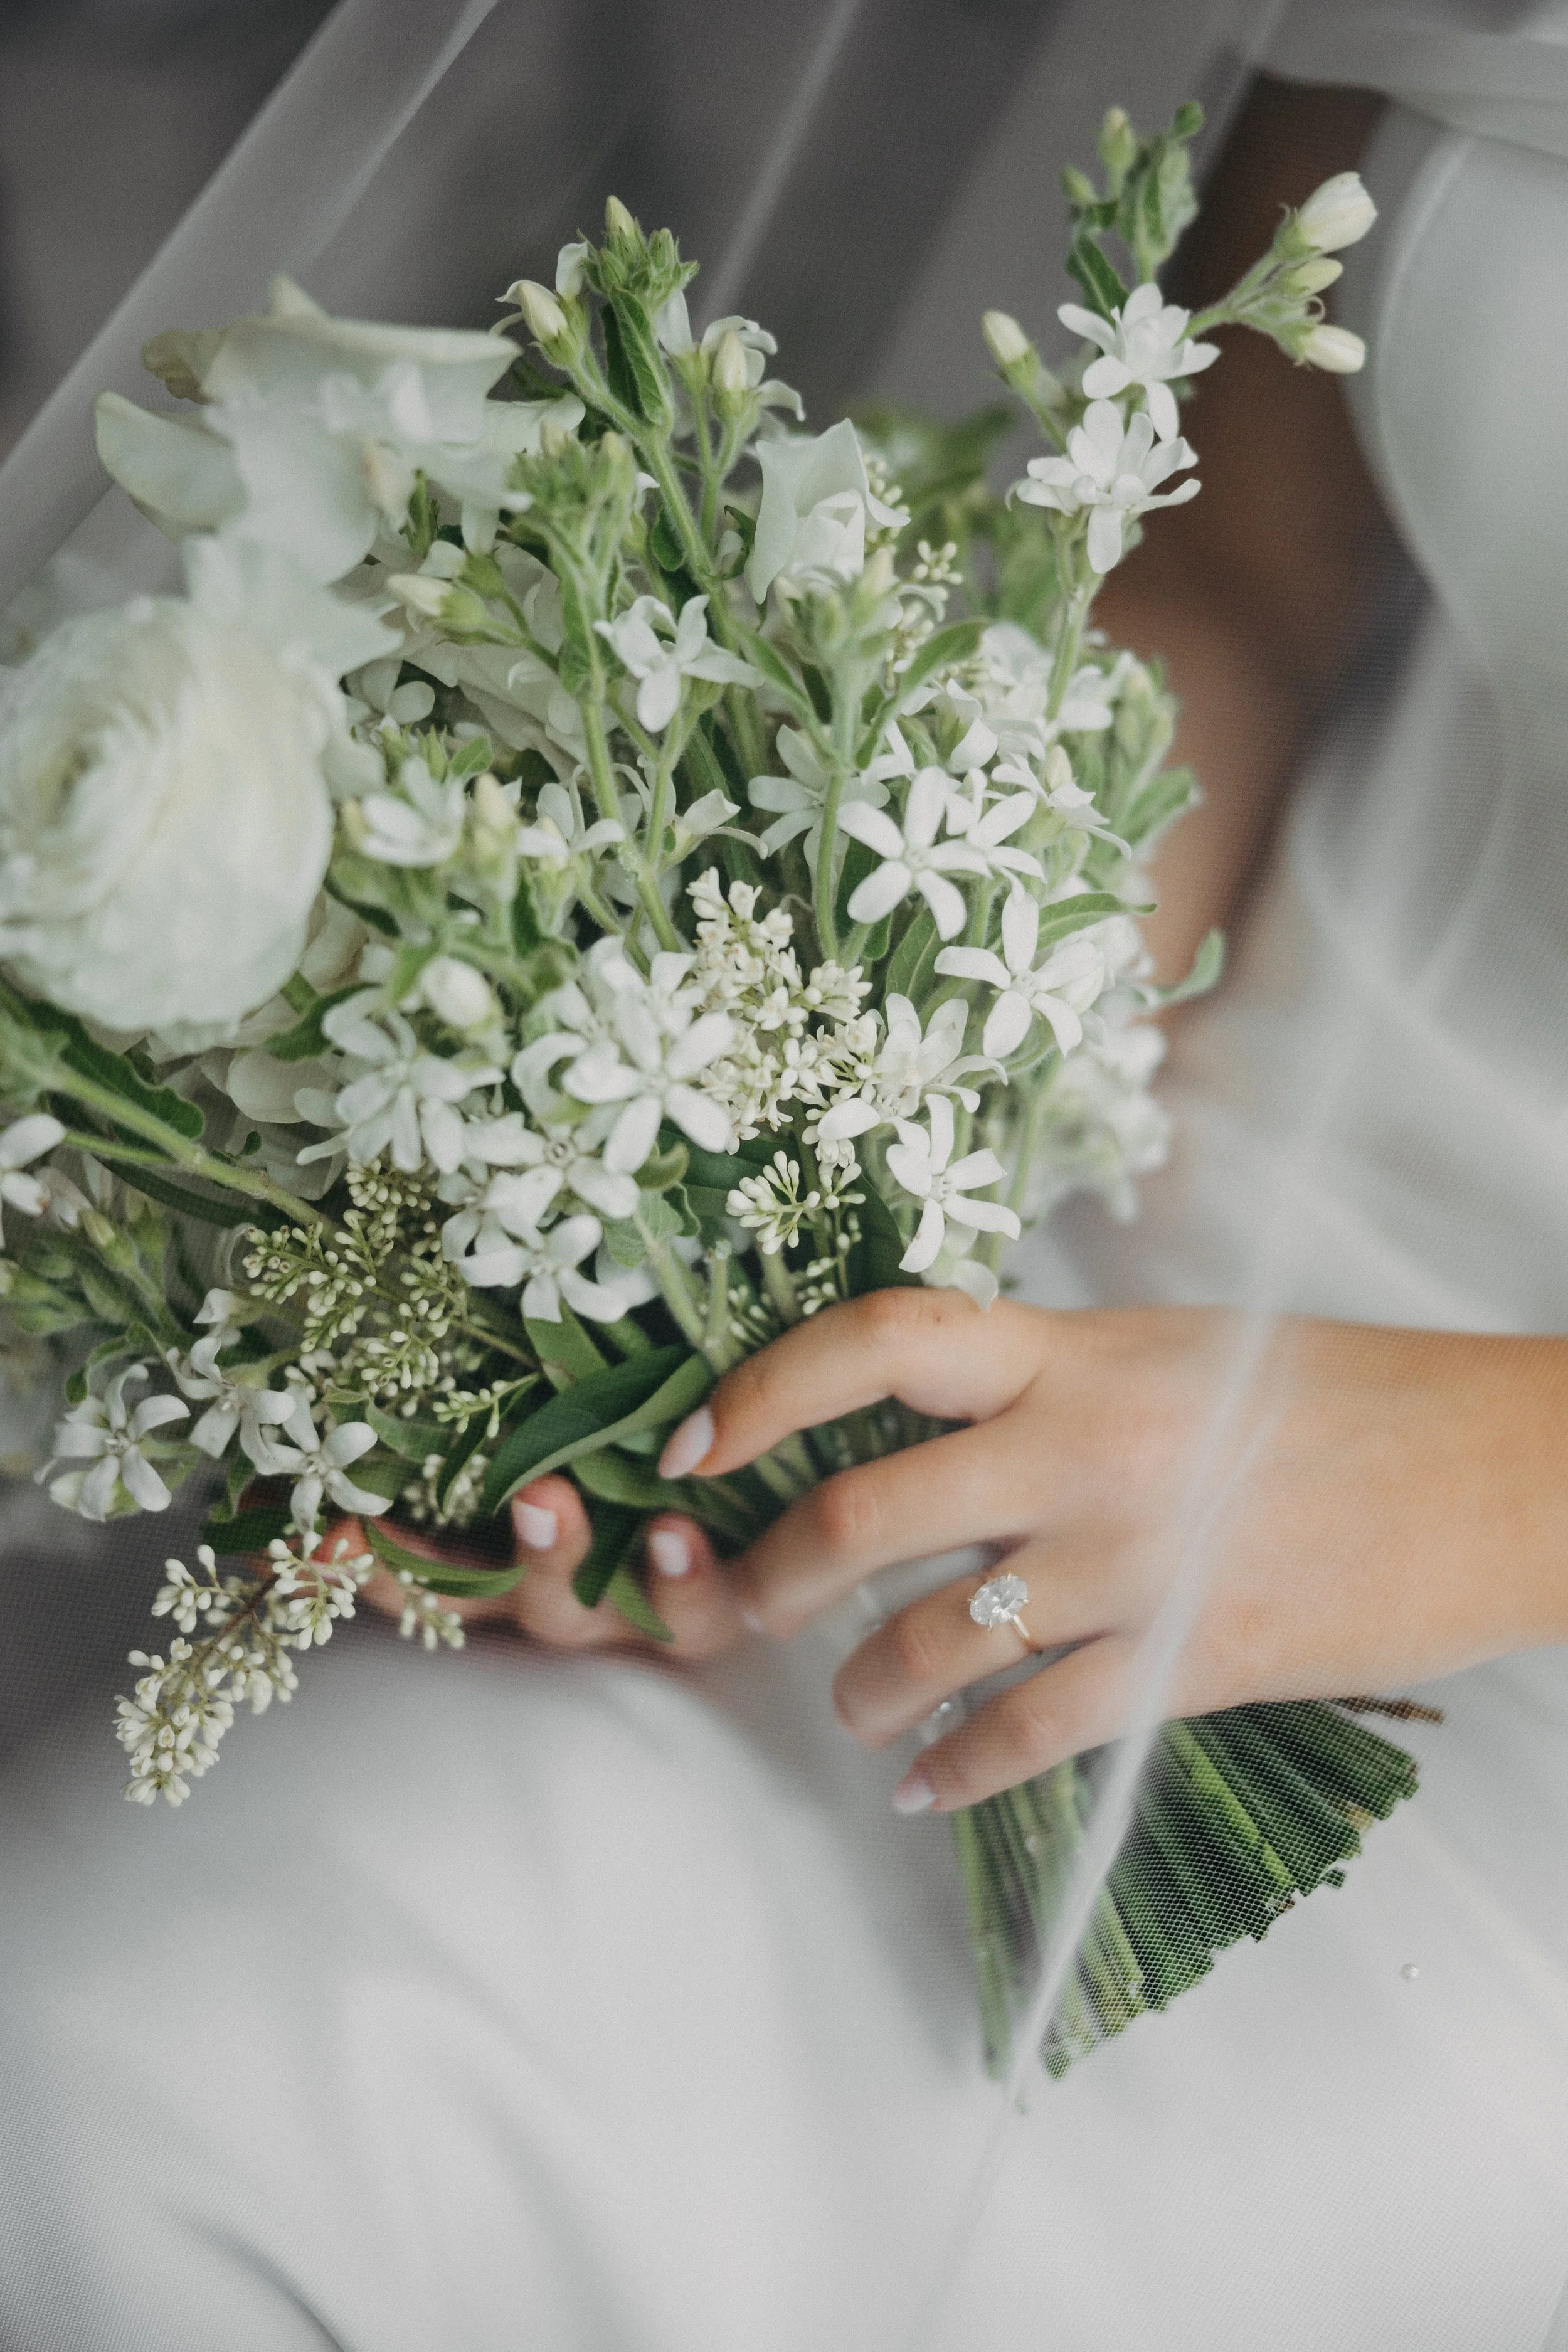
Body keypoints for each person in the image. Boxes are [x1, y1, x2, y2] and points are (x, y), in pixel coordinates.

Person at [4, 24, 1568, 2352]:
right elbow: (1237, 571)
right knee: (125, 2074)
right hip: (1108, 1282)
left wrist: (1484, 1480)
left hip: (1497, 1598)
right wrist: (824, 1142)